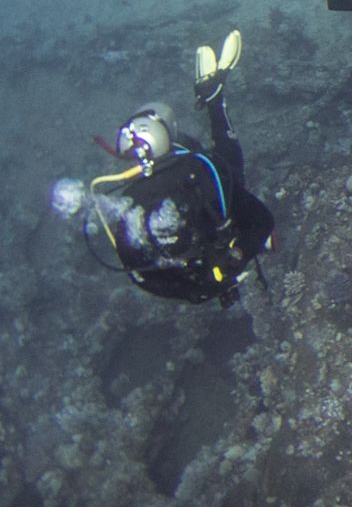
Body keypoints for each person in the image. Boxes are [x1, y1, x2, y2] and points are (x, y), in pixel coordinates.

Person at [52, 30, 275, 306]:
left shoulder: (131, 204)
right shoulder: (196, 173)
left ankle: (213, 97)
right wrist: (220, 274)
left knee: (227, 166)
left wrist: (214, 278)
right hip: (209, 225)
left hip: (208, 242)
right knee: (225, 163)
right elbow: (262, 220)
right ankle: (213, 97)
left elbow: (143, 277)